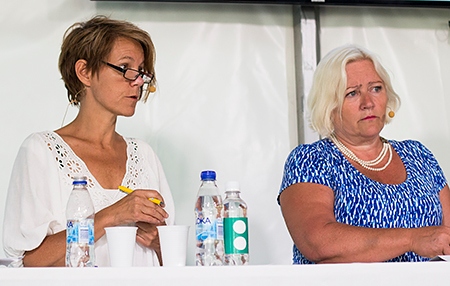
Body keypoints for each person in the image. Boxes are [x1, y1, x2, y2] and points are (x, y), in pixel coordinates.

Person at [3, 15, 175, 267]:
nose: (137, 81)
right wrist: (112, 216)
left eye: (141, 72)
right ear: (84, 72)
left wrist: (158, 242)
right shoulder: (42, 150)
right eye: (125, 68)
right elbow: (28, 262)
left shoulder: (144, 154)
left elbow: (170, 260)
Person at [278, 44, 450, 264]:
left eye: (376, 88)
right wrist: (412, 239)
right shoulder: (311, 160)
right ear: (329, 106)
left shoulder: (418, 155)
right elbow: (317, 242)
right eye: (352, 93)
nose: (368, 103)